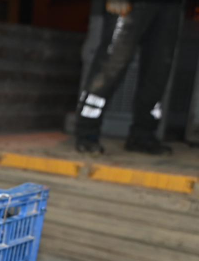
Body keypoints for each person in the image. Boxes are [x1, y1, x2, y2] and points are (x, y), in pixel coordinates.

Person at [74, 0, 182, 155]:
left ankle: (142, 136)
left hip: (171, 5)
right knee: (111, 65)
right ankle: (87, 133)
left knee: (158, 71)